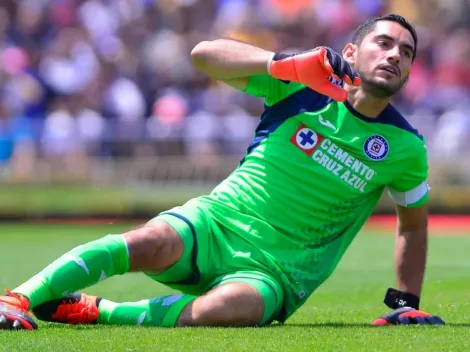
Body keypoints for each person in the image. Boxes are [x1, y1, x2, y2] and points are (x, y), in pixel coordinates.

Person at [0, 14, 445, 330]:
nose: (394, 55)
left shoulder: (406, 147)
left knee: (232, 309)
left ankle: (101, 311)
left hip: (275, 274)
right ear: (352, 51)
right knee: (145, 240)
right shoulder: (301, 85)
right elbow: (203, 56)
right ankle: (15, 298)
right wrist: (283, 62)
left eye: (405, 52)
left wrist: (405, 303)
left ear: (408, 73)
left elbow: (413, 225)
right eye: (383, 43)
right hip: (215, 224)